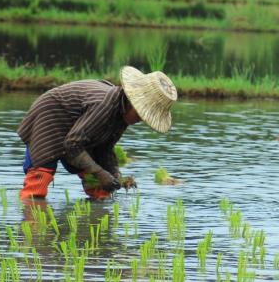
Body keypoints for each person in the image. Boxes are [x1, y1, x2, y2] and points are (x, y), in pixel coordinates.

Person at [18, 66, 177, 200]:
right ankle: (32, 226)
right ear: (132, 104)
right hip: (51, 118)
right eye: (141, 115)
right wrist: (100, 173)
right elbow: (72, 144)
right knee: (39, 180)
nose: (140, 120)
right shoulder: (104, 105)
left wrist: (116, 175)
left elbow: (105, 148)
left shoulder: (121, 115)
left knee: (101, 189)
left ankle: (93, 224)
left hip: (77, 131)